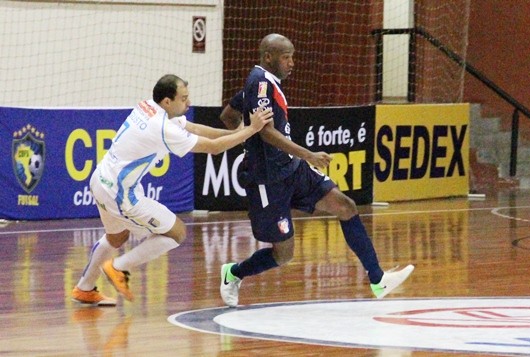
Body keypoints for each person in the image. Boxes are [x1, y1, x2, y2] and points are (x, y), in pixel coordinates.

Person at [219, 34, 414, 307]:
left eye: (292, 57)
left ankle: (378, 279)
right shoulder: (260, 83)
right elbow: (266, 133)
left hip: (292, 169)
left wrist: (242, 136)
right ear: (268, 57)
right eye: (286, 57)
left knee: (345, 205)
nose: (292, 63)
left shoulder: (262, 83)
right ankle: (234, 273)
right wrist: (305, 154)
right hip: (268, 179)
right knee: (284, 254)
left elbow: (229, 115)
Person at [71, 74, 273, 306]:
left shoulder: (148, 106)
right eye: (184, 99)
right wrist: (252, 129)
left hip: (100, 180)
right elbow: (215, 149)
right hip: (119, 193)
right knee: (177, 232)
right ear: (167, 101)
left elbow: (197, 129)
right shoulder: (162, 128)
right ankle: (118, 267)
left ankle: (85, 288)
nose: (189, 103)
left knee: (117, 236)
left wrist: (242, 135)